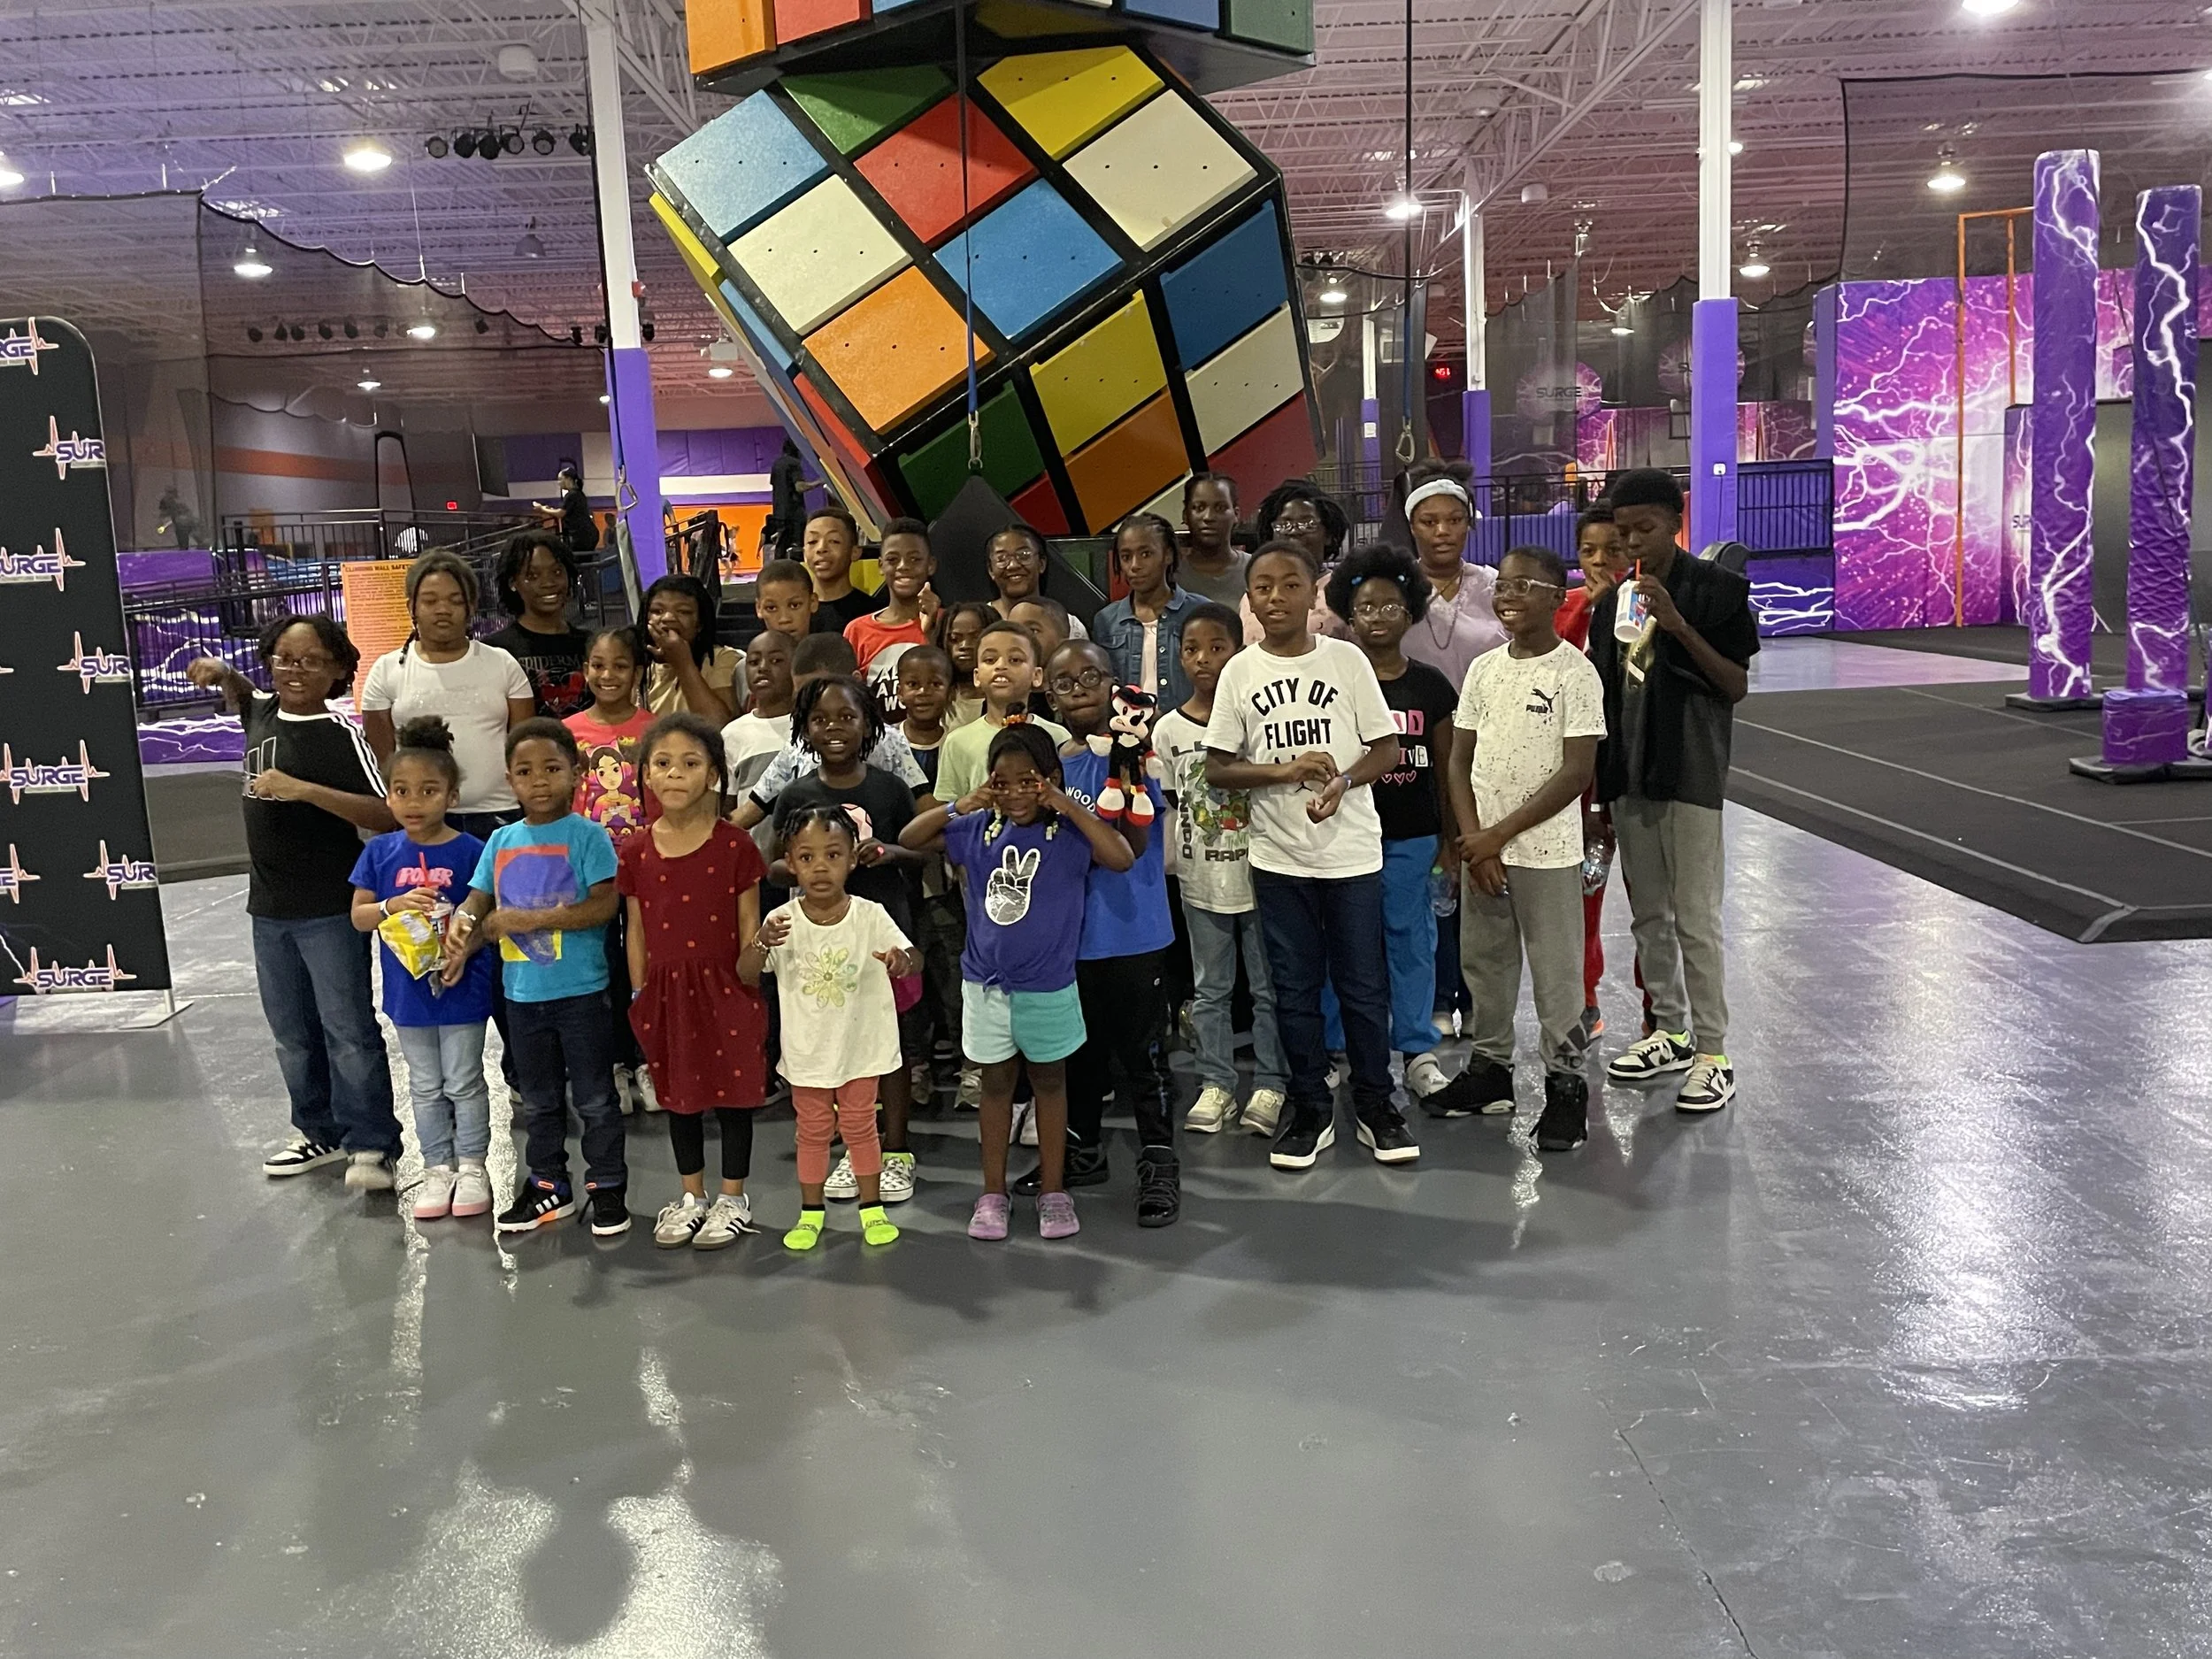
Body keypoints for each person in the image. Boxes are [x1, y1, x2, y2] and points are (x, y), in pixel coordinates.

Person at [1202, 540, 1417, 1171]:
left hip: (1350, 854)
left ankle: (1377, 1102)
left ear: (1312, 592)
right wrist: (1284, 771)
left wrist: (1342, 783)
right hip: (1278, 858)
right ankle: (1310, 1107)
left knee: (1362, 985)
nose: (1276, 597)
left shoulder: (1346, 660)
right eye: (1263, 587)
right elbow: (1219, 768)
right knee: (1293, 989)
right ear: (1249, 598)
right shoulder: (1241, 671)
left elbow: (1387, 750)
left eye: (1289, 584)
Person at [899, 722, 1138, 1240]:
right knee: (996, 1086)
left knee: (1051, 1085)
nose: (1013, 793)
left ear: (1048, 779)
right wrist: (963, 803)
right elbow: (909, 838)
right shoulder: (978, 827)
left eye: (1027, 781)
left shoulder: (1070, 834)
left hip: (1048, 987)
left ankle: (1054, 1191)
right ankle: (992, 1194)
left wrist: (1066, 803)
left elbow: (1121, 856)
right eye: (1001, 782)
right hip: (985, 986)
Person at [187, 618, 403, 1191]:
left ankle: (372, 1142)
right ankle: (318, 1130)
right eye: (283, 658)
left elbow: (386, 812)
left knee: (348, 1029)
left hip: (328, 907)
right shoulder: (259, 710)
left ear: (336, 668)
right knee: (291, 1031)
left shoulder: (339, 731)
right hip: (269, 908)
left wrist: (306, 791)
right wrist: (222, 672)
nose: (292, 669)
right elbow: (244, 691)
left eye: (308, 660)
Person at [1586, 468, 1756, 1115]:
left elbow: (1734, 685)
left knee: (1696, 918)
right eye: (1622, 532)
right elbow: (1604, 698)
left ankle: (1714, 1052)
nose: (1633, 543)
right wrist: (1602, 792)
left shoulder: (1718, 590)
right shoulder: (1610, 604)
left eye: (1646, 529)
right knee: (1649, 915)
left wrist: (1678, 622)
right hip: (1630, 774)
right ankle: (1671, 1031)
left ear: (1676, 520)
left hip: (1690, 772)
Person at [1428, 546, 1608, 1149]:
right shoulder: (1484, 670)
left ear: (1558, 599)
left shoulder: (1574, 673)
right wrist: (1474, 841)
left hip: (1545, 853)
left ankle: (1566, 1088)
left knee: (1558, 980)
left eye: (1524, 585)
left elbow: (1575, 772)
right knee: (1486, 963)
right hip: (1485, 851)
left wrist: (1497, 837)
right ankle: (1490, 1072)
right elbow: (1459, 758)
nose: (1506, 594)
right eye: (1501, 584)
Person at [444, 719, 626, 1236]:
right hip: (522, 997)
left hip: (582, 995)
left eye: (551, 768)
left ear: (576, 772)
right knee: (539, 1101)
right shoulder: (501, 839)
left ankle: (607, 1186)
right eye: (525, 771)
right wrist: (464, 924)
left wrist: (527, 919)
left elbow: (603, 906)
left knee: (594, 1099)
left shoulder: (588, 836)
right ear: (510, 779)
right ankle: (548, 1186)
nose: (539, 780)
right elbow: (480, 898)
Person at [1033, 639, 1181, 1225]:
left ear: (1114, 682)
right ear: (1049, 693)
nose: (1079, 690)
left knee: (1143, 1058)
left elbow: (1136, 842)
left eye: (1090, 677)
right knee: (1079, 1056)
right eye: (1065, 683)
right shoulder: (1051, 767)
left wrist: (1120, 775)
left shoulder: (1134, 756)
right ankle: (1084, 1148)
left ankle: (1159, 1159)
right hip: (1070, 937)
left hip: (1133, 930)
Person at [769, 675, 926, 1204]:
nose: (834, 728)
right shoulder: (795, 795)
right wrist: (805, 869)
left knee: (889, 1044)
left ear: (869, 724)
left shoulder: (888, 788)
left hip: (882, 935)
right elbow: (774, 864)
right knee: (832, 1042)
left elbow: (921, 852)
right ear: (803, 729)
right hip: (819, 945)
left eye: (847, 717)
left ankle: (897, 1150)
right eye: (820, 719)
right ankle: (855, 1150)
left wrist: (887, 852)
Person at [623, 714, 772, 1251]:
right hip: (665, 993)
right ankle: (692, 1197)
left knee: (733, 1095)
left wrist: (748, 985)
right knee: (678, 1096)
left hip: (727, 987)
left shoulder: (735, 847)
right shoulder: (637, 849)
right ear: (645, 775)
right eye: (662, 763)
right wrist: (641, 994)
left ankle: (733, 1197)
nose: (675, 774)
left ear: (713, 775)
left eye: (690, 764)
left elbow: (749, 928)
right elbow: (635, 928)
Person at [743, 804, 917, 1250]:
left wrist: (901, 961)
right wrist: (760, 942)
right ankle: (810, 1213)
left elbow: (912, 957)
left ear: (853, 859)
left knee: (861, 1126)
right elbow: (746, 973)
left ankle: (871, 1208)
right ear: (789, 863)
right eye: (806, 857)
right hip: (808, 1053)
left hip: (861, 1048)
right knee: (813, 1131)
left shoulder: (870, 915)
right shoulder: (781, 922)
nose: (820, 867)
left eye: (833, 855)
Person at [1324, 544, 1459, 1102]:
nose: (1378, 616)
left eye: (1390, 606)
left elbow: (1450, 769)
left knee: (1410, 942)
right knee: (1343, 945)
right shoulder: (1334, 680)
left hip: (1412, 839)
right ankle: (1339, 1046)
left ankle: (1417, 1048)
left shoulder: (1430, 686)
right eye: (1365, 607)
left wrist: (1450, 842)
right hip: (1345, 839)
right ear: (1348, 617)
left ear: (1411, 613)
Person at [347, 718, 496, 1219]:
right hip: (408, 995)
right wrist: (395, 904)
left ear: (452, 796)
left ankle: (473, 1166)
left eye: (429, 791)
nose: (414, 802)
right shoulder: (379, 851)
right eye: (402, 791)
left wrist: (465, 951)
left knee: (465, 1080)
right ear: (388, 797)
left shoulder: (474, 850)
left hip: (462, 987)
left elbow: (487, 916)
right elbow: (360, 916)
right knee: (425, 1085)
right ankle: (437, 1168)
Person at [1153, 601, 1288, 1138]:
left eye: (1217, 647)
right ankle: (1215, 1082)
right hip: (1200, 881)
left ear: (1240, 649)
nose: (1204, 659)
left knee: (1267, 986)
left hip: (1262, 876)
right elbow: (1171, 802)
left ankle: (1272, 1083)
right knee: (1210, 988)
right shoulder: (1166, 730)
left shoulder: (1256, 721)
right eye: (1192, 649)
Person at [358, 549, 535, 839]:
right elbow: (384, 759)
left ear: (472, 607)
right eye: (430, 601)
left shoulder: (502, 664)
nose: (443, 609)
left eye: (455, 600)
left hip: (501, 817)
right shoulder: (386, 670)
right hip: (420, 821)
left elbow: (524, 746)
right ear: (411, 607)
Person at [564, 624, 658, 1110]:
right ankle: (610, 1066)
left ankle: (647, 1060)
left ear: (638, 672)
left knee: (643, 966)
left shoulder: (654, 729)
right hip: (588, 875)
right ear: (585, 671)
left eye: (621, 665)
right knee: (597, 969)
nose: (608, 674)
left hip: (645, 871)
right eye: (599, 665)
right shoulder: (570, 733)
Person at [1558, 504, 1632, 1041]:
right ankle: (1578, 997)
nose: (1600, 561)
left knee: (1630, 901)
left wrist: (1613, 610)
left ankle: (1651, 1013)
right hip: (1571, 781)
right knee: (1575, 892)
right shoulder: (1564, 610)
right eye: (1588, 551)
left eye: (1613, 549)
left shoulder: (1647, 610)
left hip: (1625, 778)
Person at [729, 634, 930, 827]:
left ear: (855, 680)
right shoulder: (797, 745)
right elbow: (751, 810)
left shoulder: (887, 741)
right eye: (803, 696)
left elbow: (924, 805)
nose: (813, 705)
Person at [895, 645, 964, 1083]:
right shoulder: (885, 746)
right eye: (913, 684)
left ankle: (968, 1061)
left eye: (935, 684)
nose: (923, 693)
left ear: (950, 690)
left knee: (952, 972)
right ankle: (913, 1064)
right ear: (898, 690)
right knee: (906, 979)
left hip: (949, 881)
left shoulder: (956, 743)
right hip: (899, 883)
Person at [932, 619, 1071, 806]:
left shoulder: (1058, 736)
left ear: (1037, 676)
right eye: (990, 660)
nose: (1001, 666)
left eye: (1015, 660)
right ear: (977, 676)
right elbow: (949, 808)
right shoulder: (957, 742)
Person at [1400, 459, 1507, 693]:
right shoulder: (1395, 590)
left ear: (1468, 523)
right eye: (1429, 522)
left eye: (1455, 520)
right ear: (1412, 527)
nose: (1442, 531)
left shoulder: (1496, 586)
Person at [1094, 511, 1202, 710]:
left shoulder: (1200, 612)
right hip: (1126, 733)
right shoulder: (1106, 620)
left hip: (1188, 732)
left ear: (1168, 555)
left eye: (1146, 554)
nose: (1135, 566)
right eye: (1126, 557)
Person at [487, 530, 593, 718]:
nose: (548, 583)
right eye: (533, 576)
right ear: (513, 583)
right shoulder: (495, 650)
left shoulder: (592, 645)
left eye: (557, 572)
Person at [1242, 480, 1350, 645]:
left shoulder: (1344, 591)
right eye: (1284, 525)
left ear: (1328, 534)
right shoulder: (1254, 594)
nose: (1295, 531)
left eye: (1307, 524)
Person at [845, 518, 938, 689]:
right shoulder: (857, 630)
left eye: (915, 559)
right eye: (893, 560)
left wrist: (932, 630)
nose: (903, 566)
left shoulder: (948, 622)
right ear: (881, 565)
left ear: (930, 565)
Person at [640, 572, 741, 724]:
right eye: (657, 611)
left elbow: (719, 725)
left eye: (683, 612)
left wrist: (683, 663)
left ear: (700, 623)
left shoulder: (722, 659)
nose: (668, 618)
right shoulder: (639, 664)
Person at [721, 628, 796, 797]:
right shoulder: (732, 734)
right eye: (754, 662)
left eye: (776, 660)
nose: (763, 668)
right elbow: (727, 806)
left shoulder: (813, 726)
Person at [984, 523, 1088, 638]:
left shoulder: (1070, 625)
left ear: (1041, 564)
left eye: (1024, 555)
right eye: (1001, 558)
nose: (1013, 565)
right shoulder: (977, 622)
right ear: (991, 570)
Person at [802, 506, 882, 630]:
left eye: (834, 541)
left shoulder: (873, 614)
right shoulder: (795, 612)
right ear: (804, 553)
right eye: (812, 542)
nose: (821, 548)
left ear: (855, 552)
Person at [1179, 472, 1248, 605]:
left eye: (1220, 508)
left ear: (1236, 514)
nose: (1208, 517)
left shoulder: (1256, 569)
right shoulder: (1168, 576)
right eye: (1199, 508)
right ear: (1185, 515)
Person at [937, 600, 994, 728]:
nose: (964, 646)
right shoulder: (936, 699)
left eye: (975, 637)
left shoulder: (1008, 698)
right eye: (954, 639)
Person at [753, 557, 826, 643]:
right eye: (771, 608)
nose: (784, 619)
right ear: (759, 608)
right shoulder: (751, 656)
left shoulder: (832, 654)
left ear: (813, 602)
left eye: (794, 605)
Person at [769, 436, 817, 557]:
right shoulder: (794, 463)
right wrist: (820, 481)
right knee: (798, 546)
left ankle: (779, 571)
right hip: (794, 512)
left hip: (779, 512)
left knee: (782, 546)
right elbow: (799, 487)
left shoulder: (777, 464)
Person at [553, 461, 600, 552]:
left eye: (560, 479)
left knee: (578, 562)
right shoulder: (579, 494)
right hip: (588, 535)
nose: (558, 482)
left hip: (582, 536)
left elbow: (560, 513)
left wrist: (542, 509)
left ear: (568, 479)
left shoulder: (572, 495)